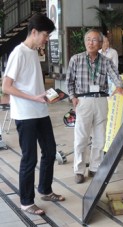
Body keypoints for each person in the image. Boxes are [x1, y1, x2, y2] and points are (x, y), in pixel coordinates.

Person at [2, 13, 65, 216]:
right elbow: (7, 87)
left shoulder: (34, 52)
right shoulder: (18, 53)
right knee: (30, 158)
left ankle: (45, 190)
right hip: (25, 114)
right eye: (45, 35)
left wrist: (46, 96)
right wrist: (32, 97)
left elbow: (30, 83)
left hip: (40, 110)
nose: (46, 39)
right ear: (34, 32)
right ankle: (26, 201)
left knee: (50, 151)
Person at [66, 29, 123, 184]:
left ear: (100, 43)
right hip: (83, 101)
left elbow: (115, 76)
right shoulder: (76, 59)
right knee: (81, 138)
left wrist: (119, 86)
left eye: (94, 40)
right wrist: (73, 97)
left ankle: (94, 167)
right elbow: (69, 81)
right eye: (88, 40)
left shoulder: (105, 61)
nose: (90, 43)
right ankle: (79, 170)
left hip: (101, 100)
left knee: (100, 138)